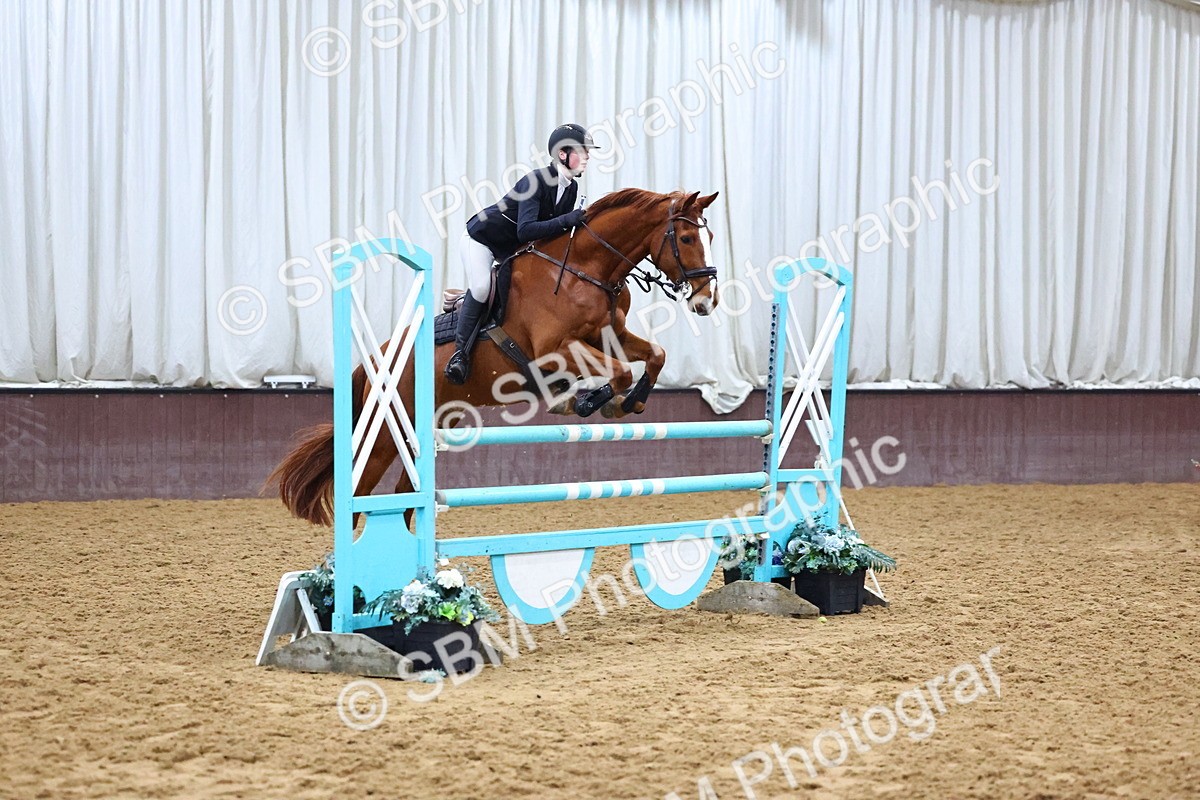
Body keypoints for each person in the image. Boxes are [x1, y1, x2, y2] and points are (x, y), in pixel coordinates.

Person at [444, 123, 601, 385]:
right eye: (582, 151)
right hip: (483, 239)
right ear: (562, 154)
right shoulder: (535, 180)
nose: (587, 156)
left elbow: (550, 237)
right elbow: (526, 230)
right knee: (482, 288)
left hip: (512, 249)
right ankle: (459, 355)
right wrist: (567, 221)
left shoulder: (571, 188)